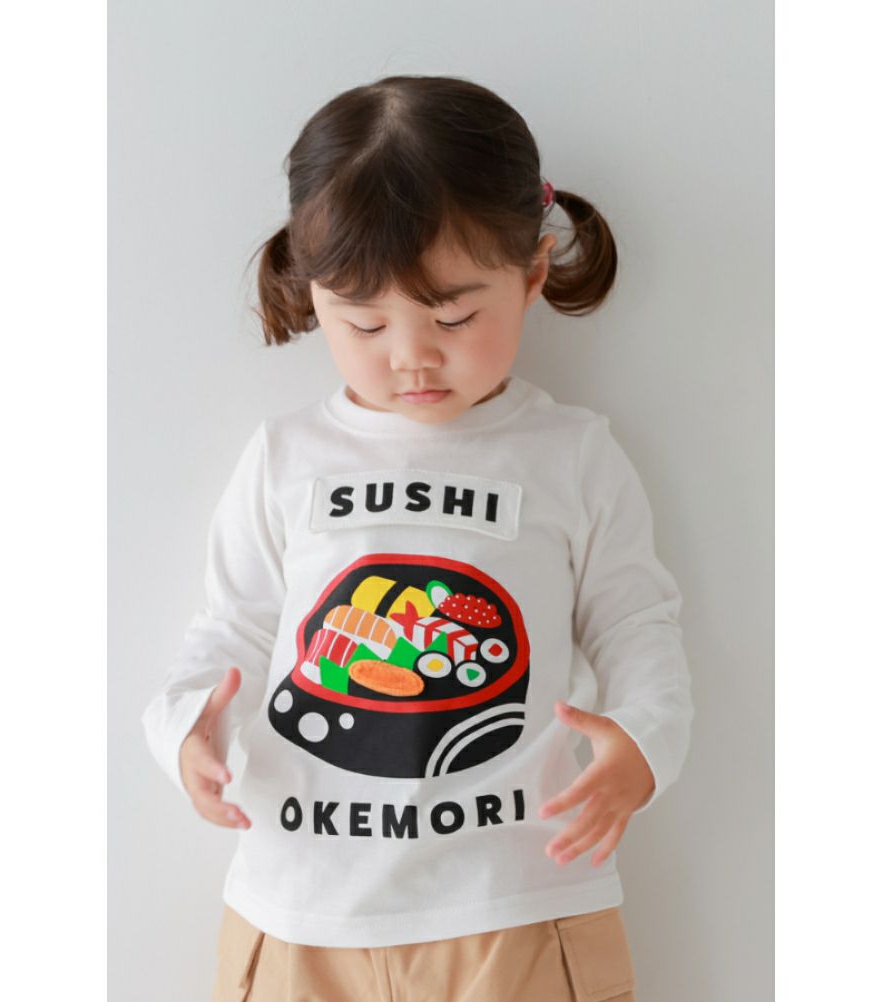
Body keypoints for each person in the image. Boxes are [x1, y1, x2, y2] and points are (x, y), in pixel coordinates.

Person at [142, 74, 694, 1002]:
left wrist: (645, 745)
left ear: (532, 275)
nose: (411, 356)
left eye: (454, 317)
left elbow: (636, 623)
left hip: (517, 901)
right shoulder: (285, 457)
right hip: (302, 908)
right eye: (364, 322)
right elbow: (233, 628)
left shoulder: (573, 456)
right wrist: (187, 729)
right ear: (313, 295)